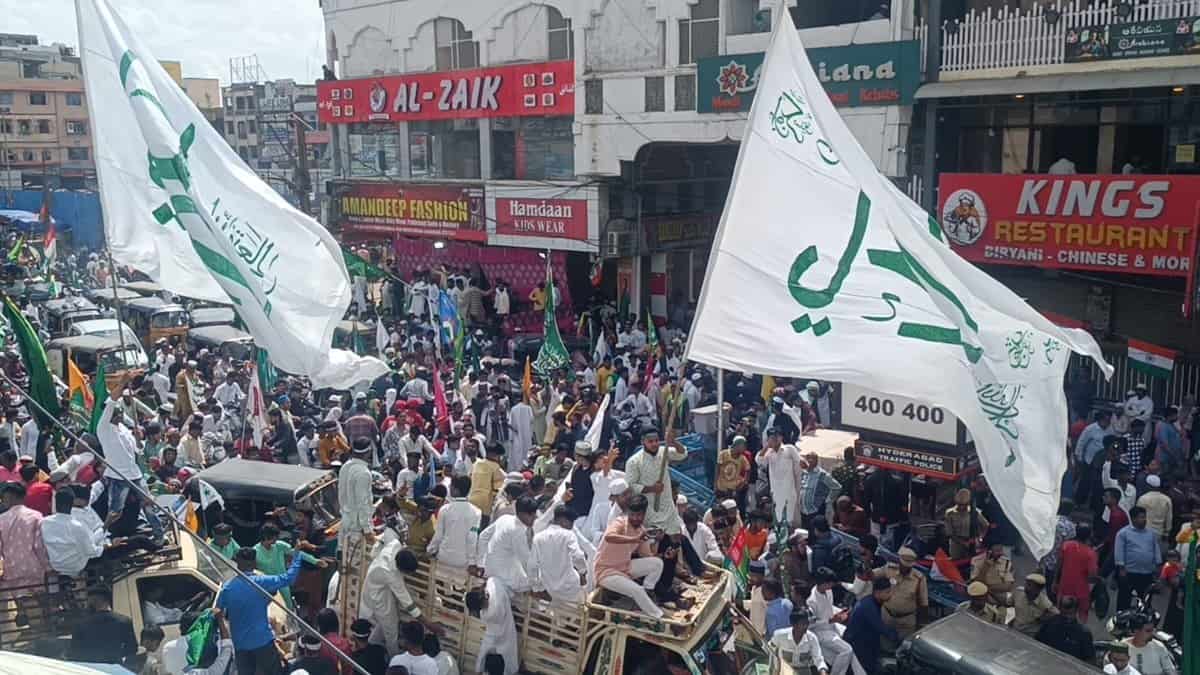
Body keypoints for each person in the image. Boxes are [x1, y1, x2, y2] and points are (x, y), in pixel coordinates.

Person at [216, 547, 303, 675]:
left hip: (241, 646)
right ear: (254, 563)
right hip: (263, 642)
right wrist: (298, 555)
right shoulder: (261, 582)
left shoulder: (227, 588)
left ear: (238, 564)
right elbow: (288, 578)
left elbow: (218, 611)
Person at [97, 394, 165, 543]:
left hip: (135, 473)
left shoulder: (124, 429)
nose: (121, 415)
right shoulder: (103, 428)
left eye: (121, 413)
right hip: (118, 476)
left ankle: (159, 534)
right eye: (118, 413)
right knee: (115, 511)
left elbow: (137, 449)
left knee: (148, 503)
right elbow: (110, 405)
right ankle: (104, 534)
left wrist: (138, 439)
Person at [593, 494, 664, 618]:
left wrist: (657, 540)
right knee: (637, 590)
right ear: (628, 513)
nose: (635, 518)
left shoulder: (641, 530)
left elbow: (647, 555)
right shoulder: (620, 522)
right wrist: (634, 539)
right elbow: (609, 537)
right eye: (633, 515)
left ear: (644, 514)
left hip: (624, 567)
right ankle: (659, 617)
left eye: (639, 515)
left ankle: (648, 592)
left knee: (657, 563)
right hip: (606, 571)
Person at [360, 541, 423, 655]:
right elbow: (407, 602)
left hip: (376, 584)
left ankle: (371, 644)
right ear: (402, 570)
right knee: (391, 632)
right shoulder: (391, 575)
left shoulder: (395, 544)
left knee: (384, 623)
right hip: (379, 596)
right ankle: (393, 660)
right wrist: (428, 623)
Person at [255, 522, 323, 610]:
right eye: (275, 536)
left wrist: (314, 561)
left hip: (283, 585)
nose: (277, 538)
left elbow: (297, 553)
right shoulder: (255, 551)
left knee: (288, 609)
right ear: (267, 536)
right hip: (268, 588)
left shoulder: (279, 545)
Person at [41, 486, 105, 578]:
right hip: (75, 566)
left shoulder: (44, 522)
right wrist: (105, 547)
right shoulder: (77, 526)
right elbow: (91, 551)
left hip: (55, 564)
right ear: (72, 504)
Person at [478, 496, 537, 594]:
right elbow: (526, 562)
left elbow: (483, 536)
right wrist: (538, 584)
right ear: (522, 514)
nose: (535, 517)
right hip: (504, 578)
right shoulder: (519, 531)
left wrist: (480, 563)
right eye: (532, 514)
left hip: (489, 569)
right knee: (537, 584)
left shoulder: (505, 518)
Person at [531, 505, 588, 605]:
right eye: (571, 523)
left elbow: (532, 566)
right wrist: (583, 572)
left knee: (558, 616)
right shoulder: (568, 535)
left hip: (549, 587)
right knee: (579, 614)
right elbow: (578, 556)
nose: (571, 527)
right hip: (570, 587)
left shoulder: (538, 537)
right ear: (563, 520)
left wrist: (537, 588)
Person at [843, 576, 898, 674]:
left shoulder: (872, 601)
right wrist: (898, 638)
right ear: (877, 593)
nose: (890, 595)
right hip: (859, 645)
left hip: (866, 641)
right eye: (887, 592)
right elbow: (881, 627)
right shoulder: (869, 606)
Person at [68, 587, 138, 664]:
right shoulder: (124, 621)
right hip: (114, 667)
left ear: (94, 601)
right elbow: (132, 648)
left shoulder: (80, 624)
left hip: (90, 668)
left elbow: (74, 651)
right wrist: (115, 655)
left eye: (89, 601)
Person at [466, 578, 520, 675]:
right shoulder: (492, 583)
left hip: (499, 633)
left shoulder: (490, 614)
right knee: (508, 662)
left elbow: (482, 615)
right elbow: (491, 579)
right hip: (502, 630)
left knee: (502, 662)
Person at [1115, 506, 1163, 612]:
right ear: (1133, 519)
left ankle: (1142, 621)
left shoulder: (1151, 533)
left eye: (1145, 517)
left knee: (1145, 599)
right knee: (1124, 598)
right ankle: (1121, 620)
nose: (1144, 519)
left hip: (1147, 573)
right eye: (1141, 517)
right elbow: (1119, 551)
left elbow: (1156, 550)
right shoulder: (1123, 533)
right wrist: (1121, 568)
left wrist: (1158, 566)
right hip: (1129, 572)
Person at [874, 546, 927, 640]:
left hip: (906, 621)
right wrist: (866, 563)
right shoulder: (889, 569)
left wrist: (920, 626)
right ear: (899, 562)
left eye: (908, 566)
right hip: (887, 616)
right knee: (884, 644)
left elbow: (923, 604)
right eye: (904, 565)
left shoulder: (919, 578)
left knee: (903, 648)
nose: (906, 568)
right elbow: (871, 576)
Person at [429, 475, 481, 570]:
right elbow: (472, 538)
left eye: (451, 486)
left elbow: (438, 535)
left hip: (444, 556)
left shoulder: (445, 509)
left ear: (456, 489)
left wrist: (430, 550)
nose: (449, 487)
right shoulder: (476, 512)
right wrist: (472, 561)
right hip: (462, 560)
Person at [757, 428, 803, 525]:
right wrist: (767, 446)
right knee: (779, 521)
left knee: (792, 521)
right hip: (776, 493)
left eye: (776, 437)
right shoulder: (768, 453)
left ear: (781, 437)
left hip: (790, 491)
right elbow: (759, 460)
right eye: (772, 437)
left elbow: (800, 463)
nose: (775, 439)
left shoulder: (789, 449)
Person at [339, 437, 375, 553]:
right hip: (357, 527)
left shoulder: (346, 466)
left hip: (346, 520)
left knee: (344, 560)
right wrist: (367, 529)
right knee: (355, 564)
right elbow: (362, 503)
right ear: (368, 451)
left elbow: (341, 494)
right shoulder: (363, 473)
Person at [1036, 596, 1095, 665]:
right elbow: (1038, 644)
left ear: (1076, 611)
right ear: (1060, 609)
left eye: (1070, 614)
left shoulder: (1084, 633)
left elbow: (1090, 661)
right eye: (1064, 614)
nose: (1067, 618)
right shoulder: (1050, 623)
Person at [769, 608, 829, 675]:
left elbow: (819, 659)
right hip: (784, 670)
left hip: (803, 671)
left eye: (807, 623)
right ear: (794, 624)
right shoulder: (779, 635)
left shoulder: (812, 638)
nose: (806, 626)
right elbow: (769, 651)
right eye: (803, 624)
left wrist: (823, 672)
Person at [1058, 523, 1098, 621]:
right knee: (1081, 617)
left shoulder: (1066, 545)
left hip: (1064, 586)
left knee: (1061, 612)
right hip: (1081, 591)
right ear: (1089, 535)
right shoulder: (1091, 554)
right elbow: (1092, 576)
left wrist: (1055, 581)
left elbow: (1059, 565)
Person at [798, 451, 841, 528]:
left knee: (816, 534)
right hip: (803, 511)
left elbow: (837, 487)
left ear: (815, 461)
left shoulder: (821, 474)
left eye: (810, 459)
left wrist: (828, 500)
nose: (806, 462)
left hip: (815, 511)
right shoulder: (804, 473)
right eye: (806, 459)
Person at [944, 488, 988, 560]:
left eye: (963, 505)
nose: (961, 507)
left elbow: (985, 525)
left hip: (972, 542)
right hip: (956, 543)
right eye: (959, 504)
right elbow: (949, 533)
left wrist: (980, 538)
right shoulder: (950, 513)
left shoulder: (974, 512)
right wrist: (963, 542)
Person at [1010, 572, 1057, 637]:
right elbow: (1008, 603)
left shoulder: (1044, 602)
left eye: (1029, 585)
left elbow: (1056, 614)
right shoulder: (1019, 592)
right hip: (1014, 629)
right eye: (1026, 584)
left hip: (1030, 635)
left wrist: (1042, 618)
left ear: (1038, 589)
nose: (1026, 587)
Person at [968, 542, 1015, 607]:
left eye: (1001, 550)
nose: (1000, 553)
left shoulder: (1006, 562)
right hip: (981, 596)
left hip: (1000, 596)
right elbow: (976, 583)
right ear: (989, 551)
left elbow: (1008, 586)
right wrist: (986, 566)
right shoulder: (976, 561)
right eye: (997, 551)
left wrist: (987, 588)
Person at [469, 443, 506, 523]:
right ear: (494, 455)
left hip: (472, 501)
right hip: (485, 505)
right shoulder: (496, 468)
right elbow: (498, 490)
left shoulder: (476, 464)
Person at [1135, 476, 1172, 540]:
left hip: (1144, 532)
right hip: (1160, 533)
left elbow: (1138, 517)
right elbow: (1169, 517)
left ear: (1148, 485)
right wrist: (1167, 533)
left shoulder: (1143, 499)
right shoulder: (1166, 499)